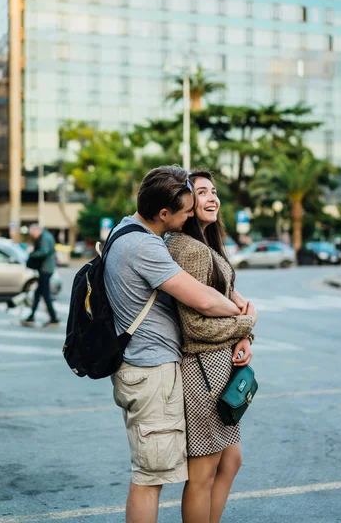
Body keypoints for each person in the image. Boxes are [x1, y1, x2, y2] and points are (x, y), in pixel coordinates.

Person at [104, 165, 248, 523]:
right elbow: (200, 306)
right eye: (193, 201)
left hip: (161, 366)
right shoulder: (153, 246)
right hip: (160, 368)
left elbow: (217, 294)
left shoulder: (133, 232)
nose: (190, 214)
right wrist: (247, 321)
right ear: (165, 212)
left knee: (222, 462)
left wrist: (243, 328)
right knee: (152, 477)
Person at [165, 170, 257, 523]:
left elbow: (229, 303)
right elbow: (194, 326)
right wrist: (246, 323)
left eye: (214, 191)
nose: (212, 197)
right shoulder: (188, 249)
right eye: (201, 192)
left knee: (230, 461)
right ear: (186, 203)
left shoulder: (206, 245)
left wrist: (244, 337)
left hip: (219, 369)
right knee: (202, 473)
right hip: (201, 373)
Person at [22, 224, 59, 328]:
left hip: (45, 269)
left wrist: (32, 254)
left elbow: (44, 251)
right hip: (45, 268)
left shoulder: (45, 238)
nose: (32, 236)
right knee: (38, 293)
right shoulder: (45, 236)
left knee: (45, 294)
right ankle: (32, 315)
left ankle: (53, 317)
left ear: (36, 231)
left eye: (32, 234)